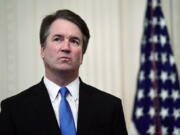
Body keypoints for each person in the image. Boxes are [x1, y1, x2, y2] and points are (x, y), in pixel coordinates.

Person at [0, 9, 128, 135]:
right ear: (42, 50)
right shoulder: (13, 109)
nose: (66, 48)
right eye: (57, 39)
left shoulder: (110, 107)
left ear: (82, 55)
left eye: (74, 41)